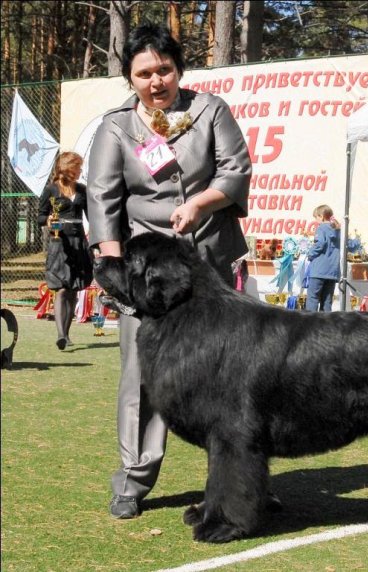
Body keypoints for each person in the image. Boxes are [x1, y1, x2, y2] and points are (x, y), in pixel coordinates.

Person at [87, 23, 254, 519]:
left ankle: (238, 480)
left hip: (211, 264)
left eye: (164, 69)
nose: (156, 81)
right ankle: (133, 478)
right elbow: (103, 199)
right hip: (148, 276)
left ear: (179, 68)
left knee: (231, 375)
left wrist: (201, 202)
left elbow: (236, 170)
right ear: (130, 78)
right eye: (144, 73)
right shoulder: (116, 127)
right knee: (143, 375)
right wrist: (113, 270)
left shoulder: (209, 110)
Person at [37, 151, 93, 350]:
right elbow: (40, 217)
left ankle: (67, 334)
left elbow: (92, 217)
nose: (80, 170)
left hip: (78, 243)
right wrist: (49, 220)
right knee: (61, 288)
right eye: (78, 167)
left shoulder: (83, 190)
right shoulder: (51, 190)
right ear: (69, 168)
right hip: (59, 243)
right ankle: (60, 335)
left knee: (73, 289)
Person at [305, 205, 341, 312]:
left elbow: (320, 244)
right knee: (327, 301)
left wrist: (310, 253)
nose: (316, 220)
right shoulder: (337, 230)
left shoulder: (321, 228)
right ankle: (327, 326)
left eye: (316, 217)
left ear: (321, 216)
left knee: (313, 298)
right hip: (332, 272)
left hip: (319, 270)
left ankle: (310, 325)